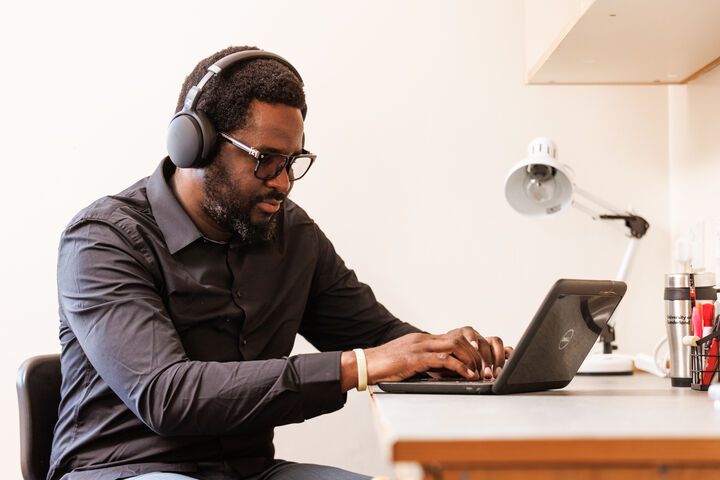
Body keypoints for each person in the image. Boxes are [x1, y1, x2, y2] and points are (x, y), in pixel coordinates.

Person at [50, 46, 511, 480]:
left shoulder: (290, 233)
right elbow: (170, 396)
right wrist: (362, 366)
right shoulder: (101, 241)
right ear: (194, 144)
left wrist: (449, 356)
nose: (285, 182)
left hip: (249, 471)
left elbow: (378, 339)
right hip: (127, 470)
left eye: (293, 161)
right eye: (266, 161)